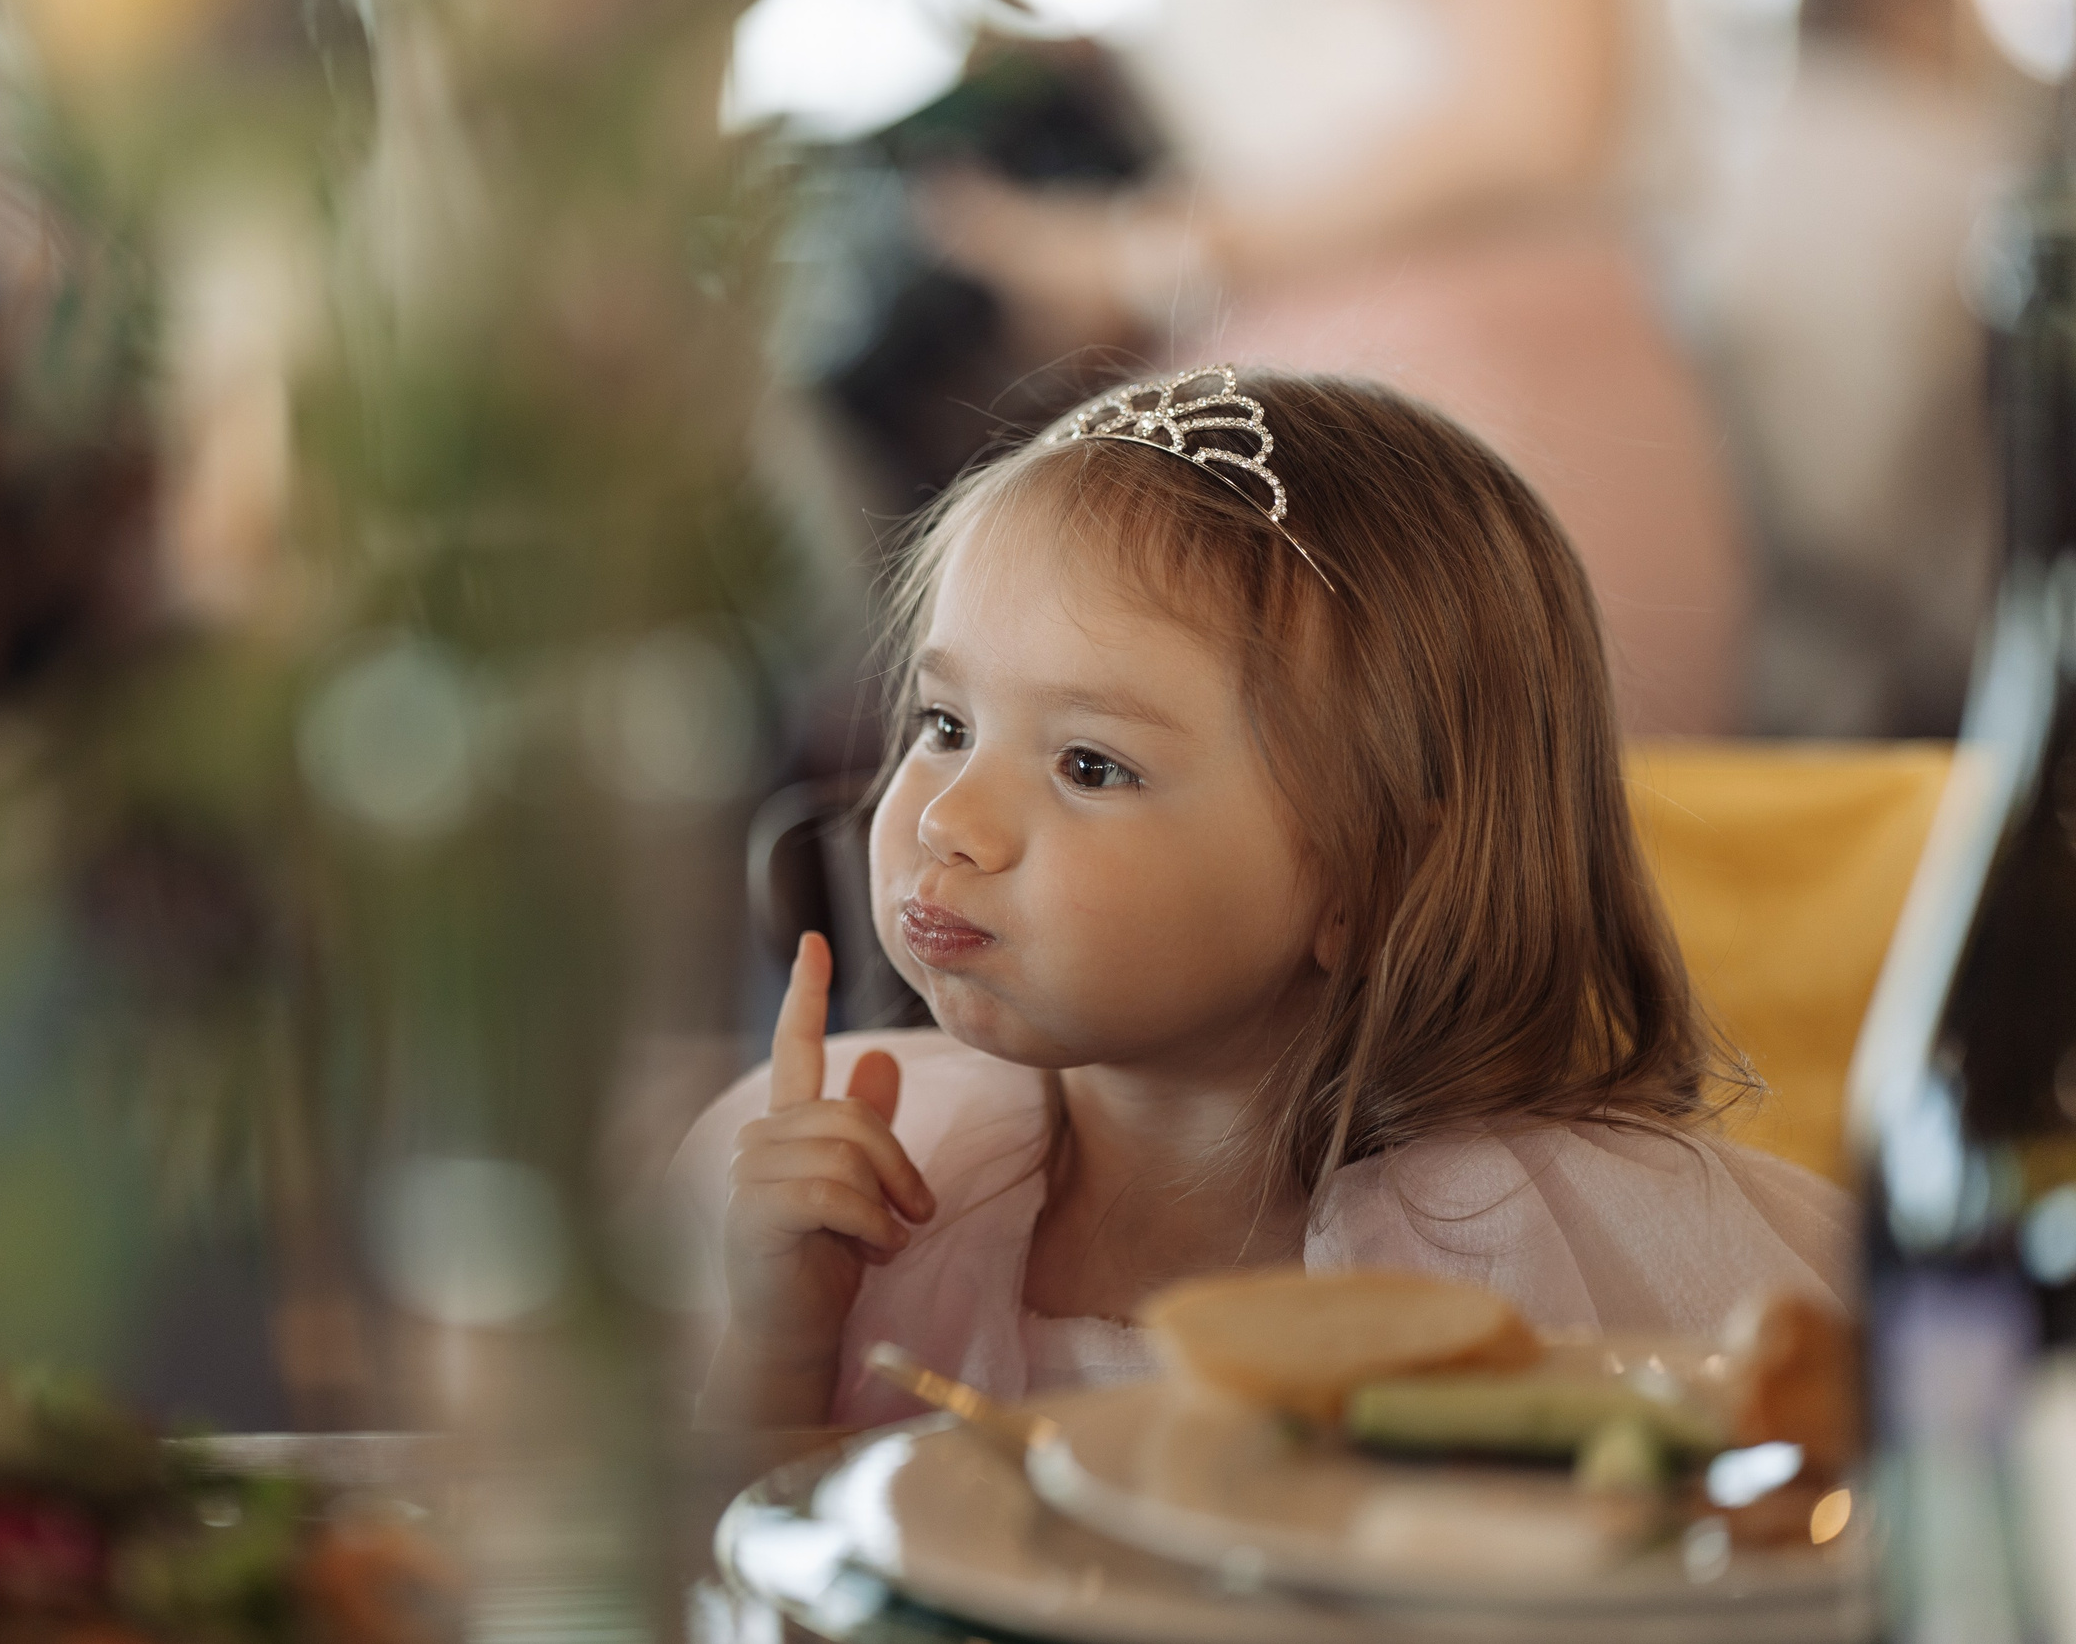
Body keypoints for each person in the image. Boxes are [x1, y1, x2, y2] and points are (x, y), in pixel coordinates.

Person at [671, 367, 1850, 1428]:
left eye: (1090, 765)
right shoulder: (862, 1176)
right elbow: (735, 1562)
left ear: (1372, 871)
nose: (945, 819)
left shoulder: (1543, 1252)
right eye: (945, 723)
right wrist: (781, 1346)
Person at [918, 0, 1751, 738]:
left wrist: (1136, 251)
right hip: (1400, 383)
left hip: (1463, 390)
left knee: (1490, 799)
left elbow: (1536, 118)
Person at [1700, 0, 2031, 738]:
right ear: (1916, 17)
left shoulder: (1725, 168)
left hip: (1762, 635)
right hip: (1947, 655)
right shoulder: (1971, 170)